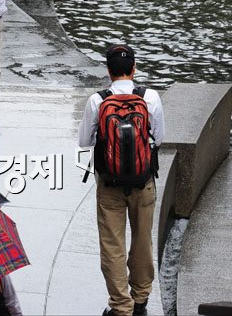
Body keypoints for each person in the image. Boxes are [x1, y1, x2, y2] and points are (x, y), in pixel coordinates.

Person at [78, 44, 165, 316]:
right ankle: (140, 300)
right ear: (134, 68)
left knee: (112, 244)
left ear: (109, 71)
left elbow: (84, 141)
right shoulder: (149, 97)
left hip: (109, 184)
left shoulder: (97, 100)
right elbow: (158, 139)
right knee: (142, 240)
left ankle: (120, 306)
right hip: (143, 181)